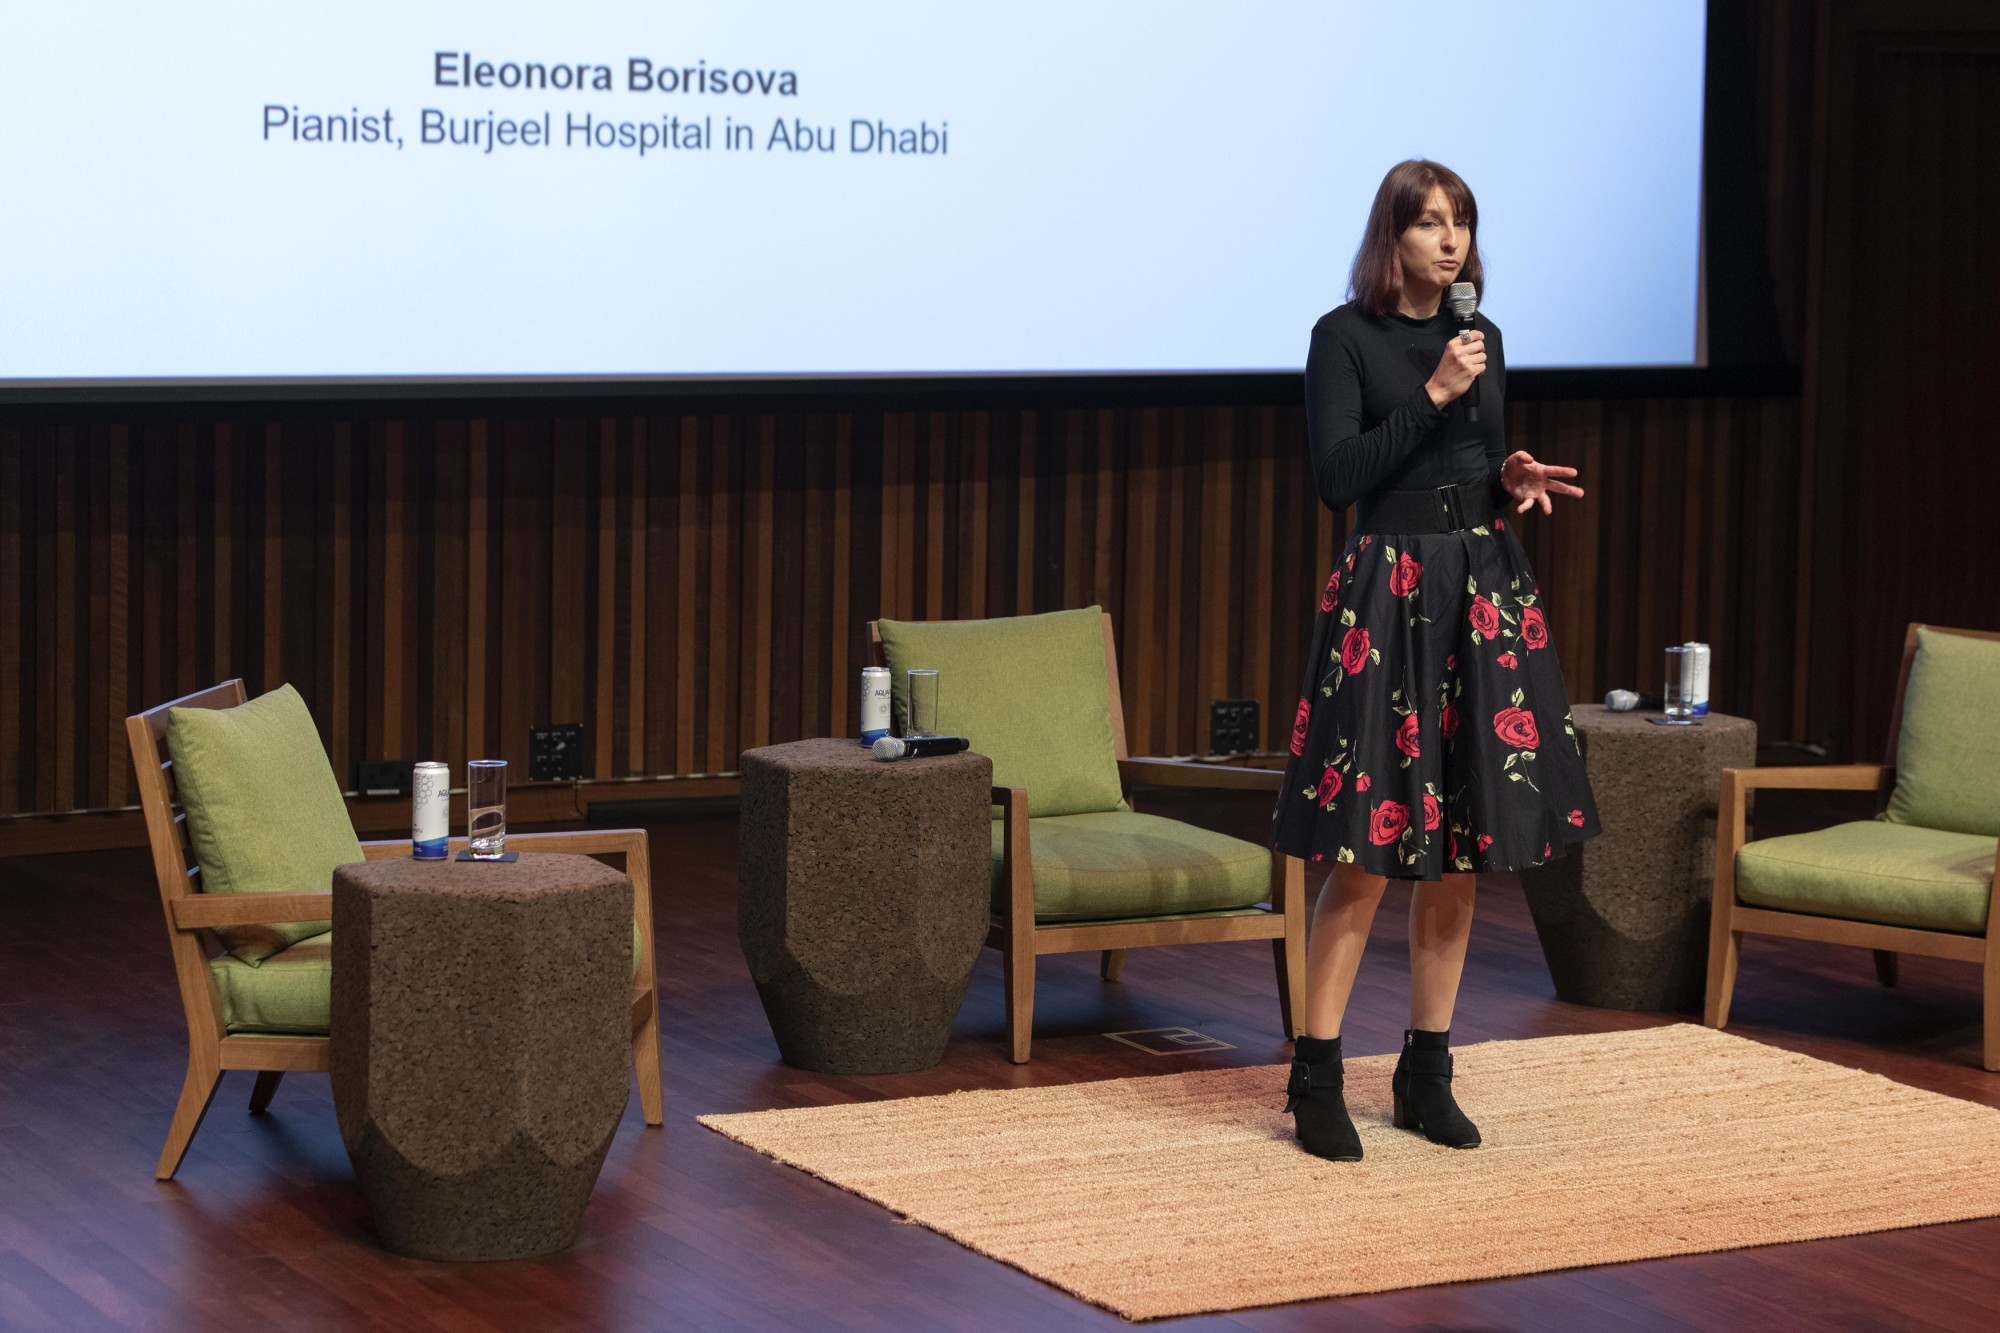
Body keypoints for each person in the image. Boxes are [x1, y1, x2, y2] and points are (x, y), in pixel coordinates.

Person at [1269, 159, 1600, 1162]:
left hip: (1478, 584)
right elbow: (1341, 479)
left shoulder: (1482, 337)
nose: (1448, 239)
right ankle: (1316, 1075)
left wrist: (1507, 476)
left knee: (1462, 840)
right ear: (1391, 238)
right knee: (1368, 852)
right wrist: (1430, 392)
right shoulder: (1343, 338)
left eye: (1459, 221)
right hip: (1388, 591)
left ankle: (1426, 1070)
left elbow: (1464, 463)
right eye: (1426, 223)